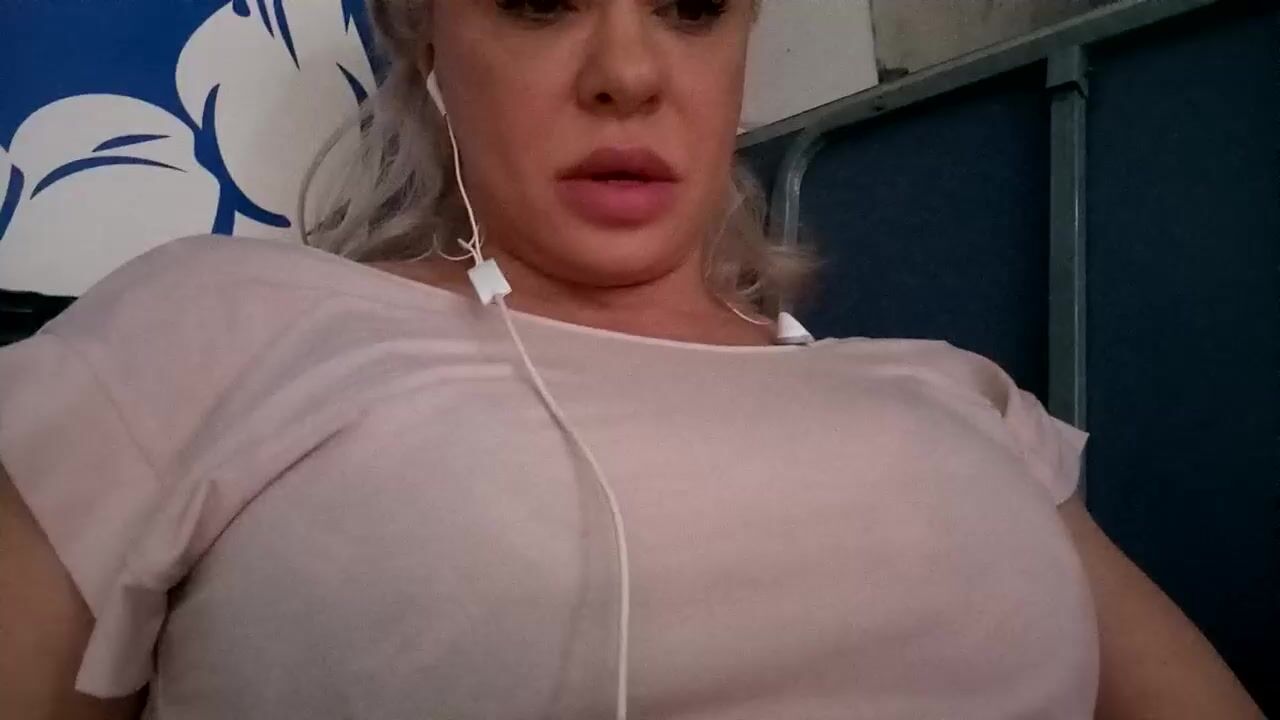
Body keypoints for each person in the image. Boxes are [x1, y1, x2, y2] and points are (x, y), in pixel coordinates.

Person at [0, 1, 1263, 718]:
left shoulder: (956, 394)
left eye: (691, 4)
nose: (626, 73)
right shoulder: (214, 328)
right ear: (427, 36)